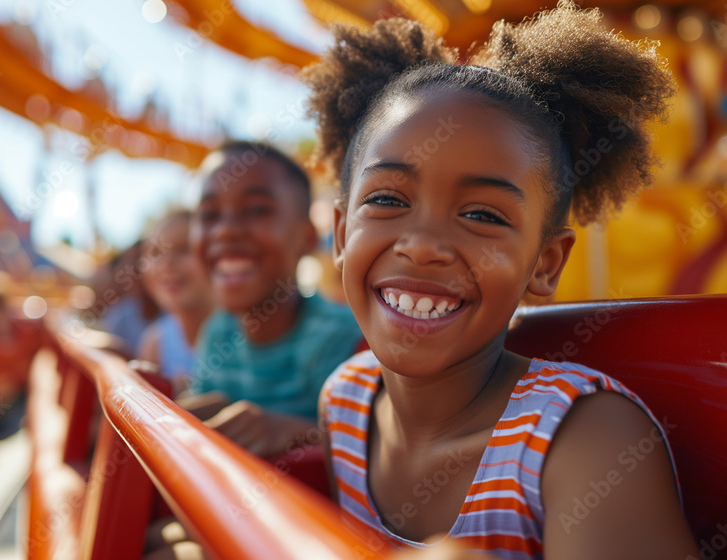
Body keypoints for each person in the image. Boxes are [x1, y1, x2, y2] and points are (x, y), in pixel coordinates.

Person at [303, 4, 698, 558]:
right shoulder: (342, 405)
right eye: (388, 199)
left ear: (545, 264)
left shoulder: (586, 442)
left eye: (483, 215)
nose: (422, 244)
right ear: (342, 236)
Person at [179, 141, 365, 459]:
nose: (225, 232)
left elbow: (372, 455)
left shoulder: (343, 340)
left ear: (306, 238)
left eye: (256, 210)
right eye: (209, 215)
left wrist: (289, 432)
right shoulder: (218, 332)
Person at [137, 210, 214, 395]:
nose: (167, 263)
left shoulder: (242, 333)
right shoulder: (155, 342)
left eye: (184, 249)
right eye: (155, 253)